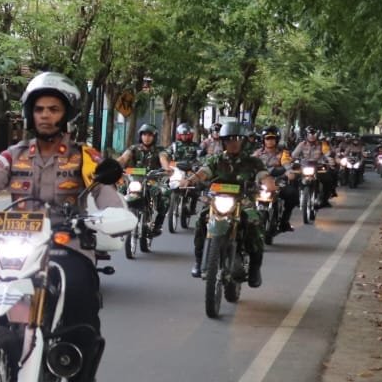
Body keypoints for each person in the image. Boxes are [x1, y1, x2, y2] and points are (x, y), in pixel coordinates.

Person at [0, 71, 124, 382]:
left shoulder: (84, 156)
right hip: (16, 241)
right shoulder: (13, 155)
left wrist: (113, 216)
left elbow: (105, 191)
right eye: (40, 109)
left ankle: (82, 377)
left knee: (81, 293)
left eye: (53, 109)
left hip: (66, 242)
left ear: (65, 114)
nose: (45, 115)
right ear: (30, 113)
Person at [187, 120, 274, 287]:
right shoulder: (216, 159)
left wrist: (269, 183)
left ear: (242, 141)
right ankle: (199, 261)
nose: (233, 143)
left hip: (244, 200)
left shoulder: (253, 162)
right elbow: (203, 173)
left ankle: (255, 268)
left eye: (236, 139)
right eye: (229, 139)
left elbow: (264, 175)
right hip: (217, 200)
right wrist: (189, 181)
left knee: (255, 224)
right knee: (201, 220)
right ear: (223, 141)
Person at [117, 122, 172, 227]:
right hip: (134, 180)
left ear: (154, 137)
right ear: (140, 136)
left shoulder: (159, 150)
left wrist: (166, 168)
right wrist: (114, 165)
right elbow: (124, 158)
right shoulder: (133, 148)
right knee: (120, 190)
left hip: (152, 180)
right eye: (144, 134)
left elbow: (163, 158)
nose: (146, 138)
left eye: (150, 135)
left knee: (165, 194)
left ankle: (159, 222)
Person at [255, 125, 296, 231]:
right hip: (259, 183)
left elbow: (287, 164)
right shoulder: (257, 154)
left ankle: (284, 221)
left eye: (272, 138)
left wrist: (289, 172)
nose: (270, 141)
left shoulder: (283, 153)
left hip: (277, 182)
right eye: (267, 138)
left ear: (277, 140)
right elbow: (248, 164)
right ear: (263, 140)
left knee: (292, 194)